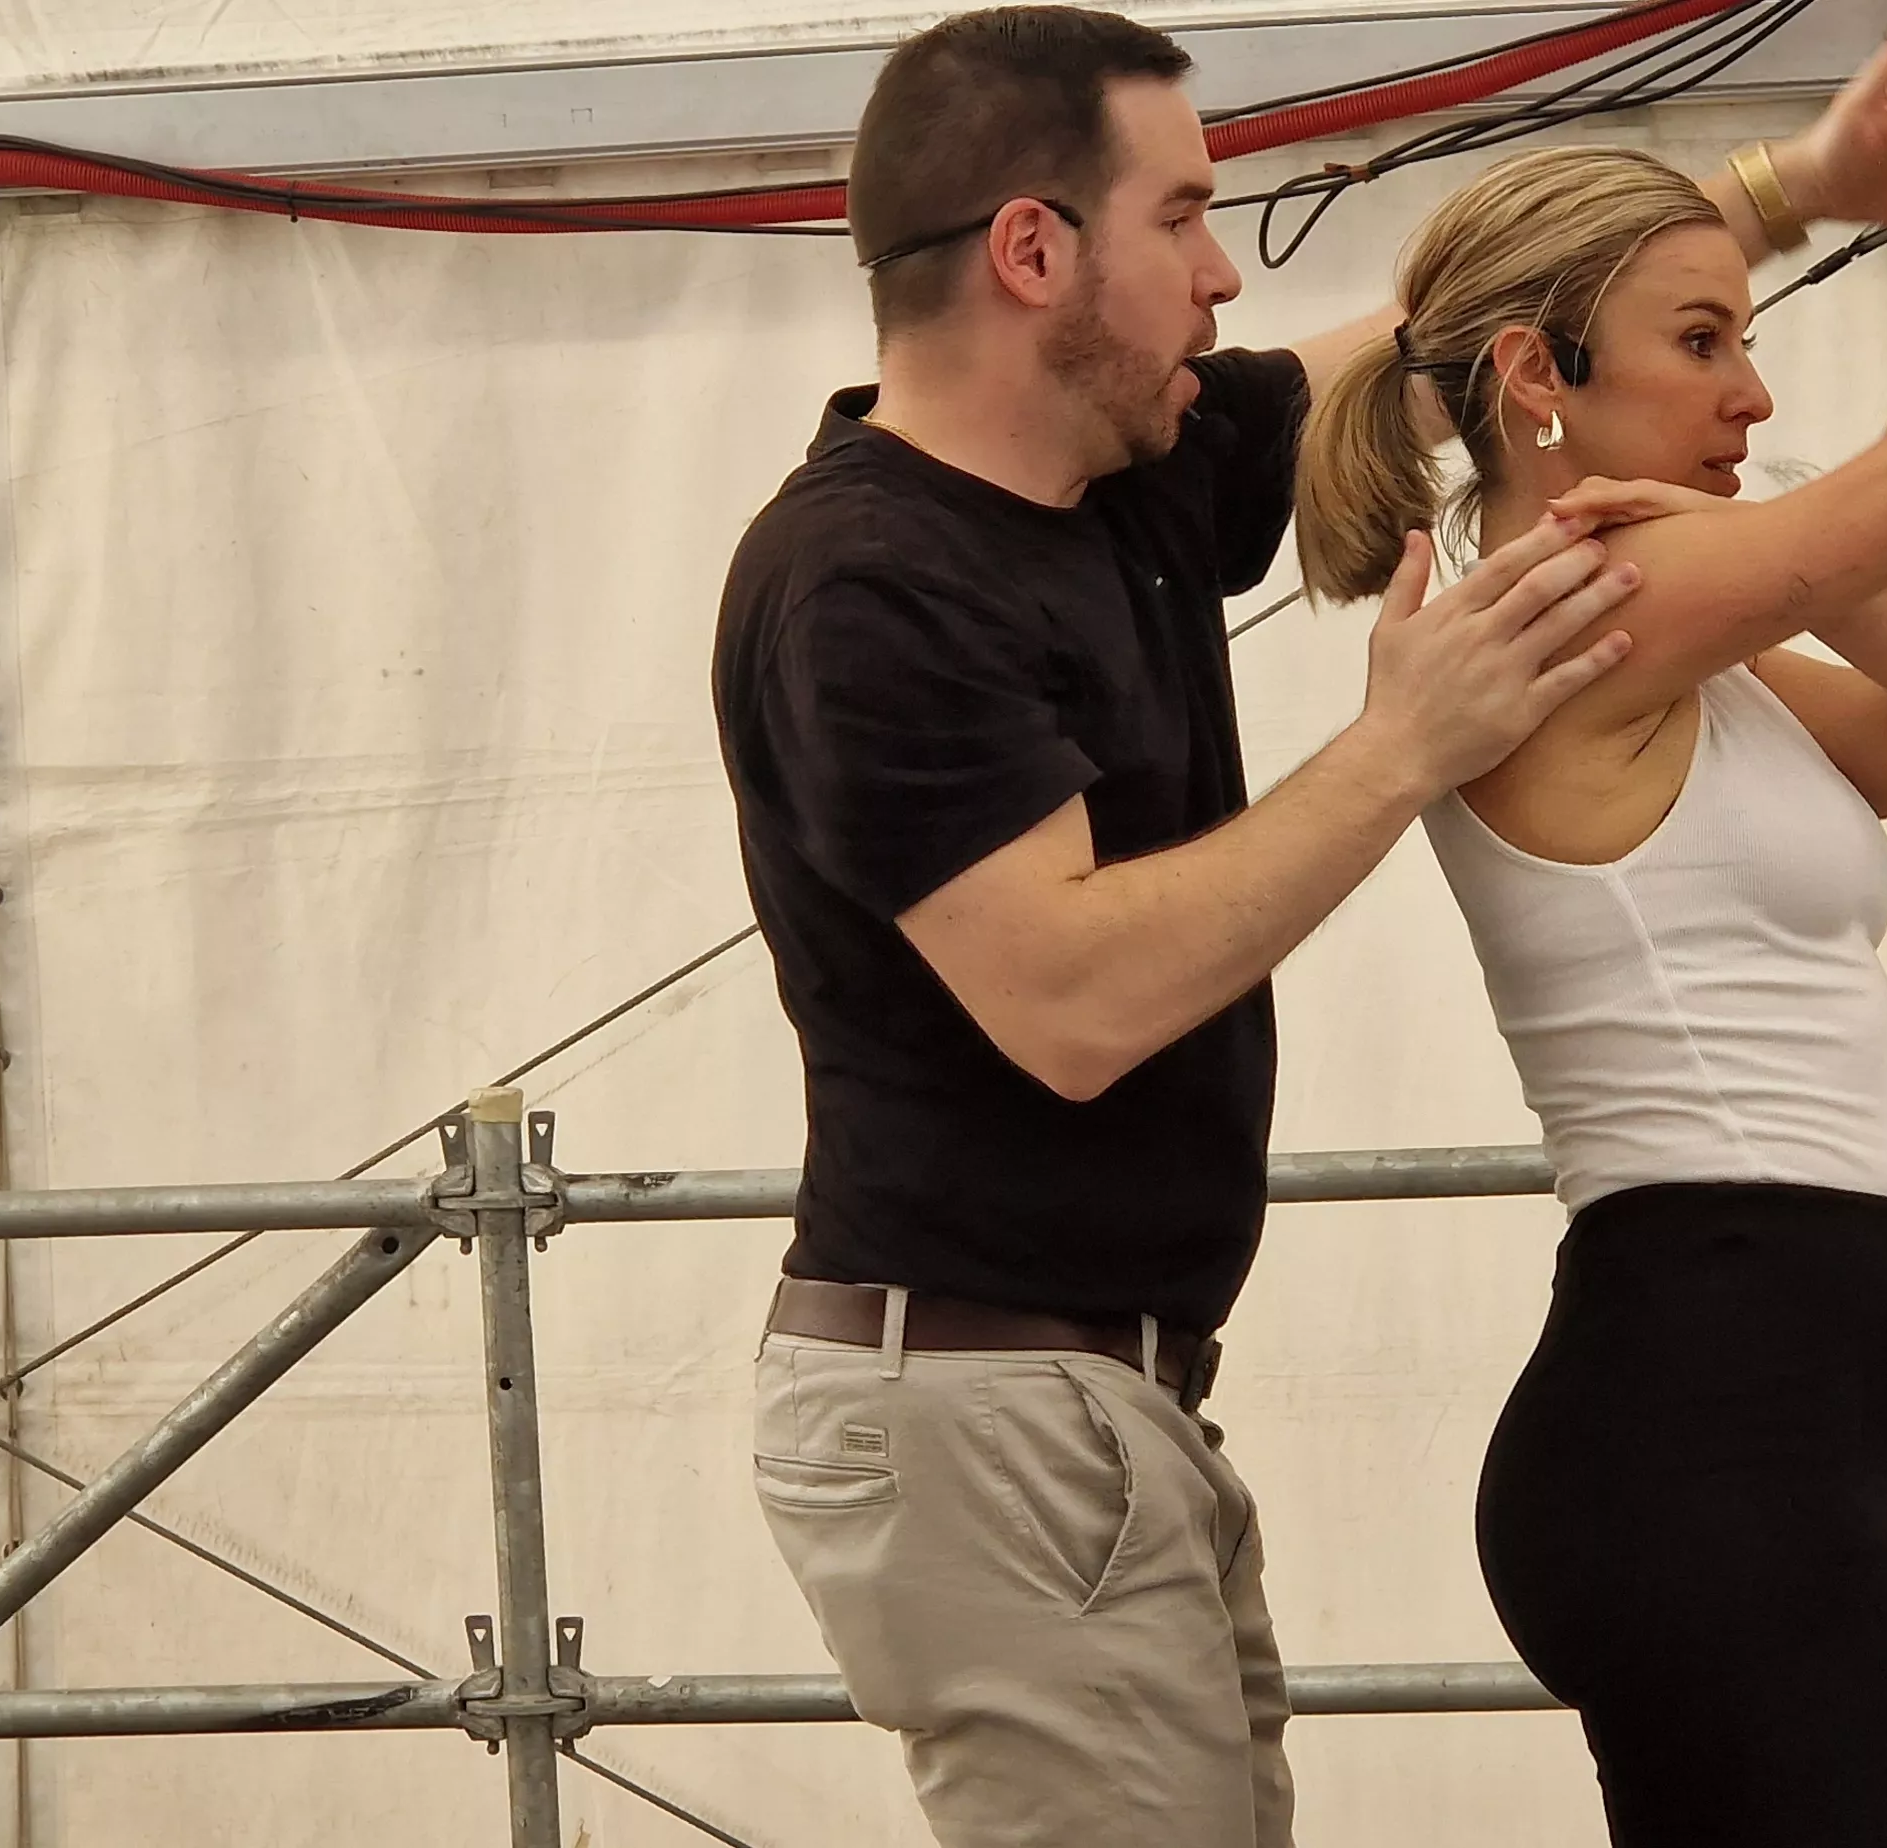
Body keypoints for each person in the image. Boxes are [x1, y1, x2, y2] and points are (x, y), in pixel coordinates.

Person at [706, 9, 1657, 1844]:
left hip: (1081, 1400)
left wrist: (1774, 189)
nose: (1226, 276)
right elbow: (1073, 999)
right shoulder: (873, 586)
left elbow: (1417, 355)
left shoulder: (1118, 476)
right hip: (991, 1405)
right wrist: (1402, 747)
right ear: (1031, 248)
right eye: (1186, 216)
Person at [1289, 26, 1887, 1848]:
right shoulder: (1582, 614)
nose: (1753, 394)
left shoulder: (1685, 638)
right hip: (1701, 1416)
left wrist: (1799, 561)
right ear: (1533, 375)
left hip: (1764, 1434)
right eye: (1704, 344)